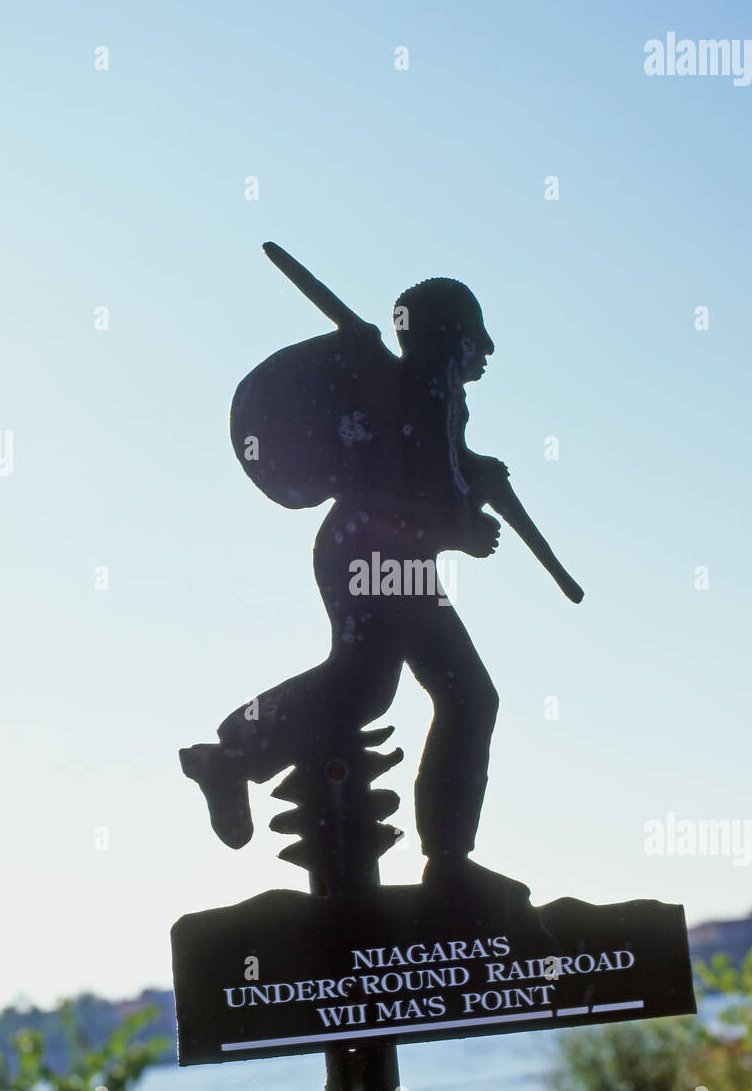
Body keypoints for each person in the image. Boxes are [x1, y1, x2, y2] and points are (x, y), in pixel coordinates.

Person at [181, 278, 525, 895]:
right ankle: (445, 861)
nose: (489, 349)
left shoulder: (435, 396)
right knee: (437, 692)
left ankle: (234, 755)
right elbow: (406, 491)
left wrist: (474, 473)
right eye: (476, 334)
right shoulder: (411, 389)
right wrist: (461, 528)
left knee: (395, 688)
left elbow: (437, 467)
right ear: (451, 337)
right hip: (369, 555)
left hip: (393, 559)